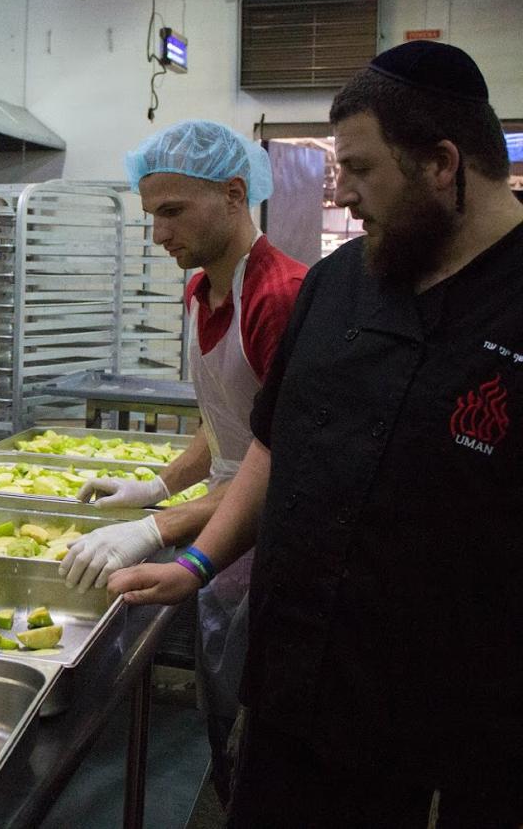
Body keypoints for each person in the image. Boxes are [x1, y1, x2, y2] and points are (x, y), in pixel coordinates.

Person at [109, 42, 523, 826]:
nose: (343, 192)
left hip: (448, 733)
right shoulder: (340, 283)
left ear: (441, 164)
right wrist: (197, 561)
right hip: (295, 689)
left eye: (361, 171)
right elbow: (272, 443)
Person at [57, 119, 306, 804]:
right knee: (221, 705)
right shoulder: (202, 291)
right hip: (224, 538)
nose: (159, 233)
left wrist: (162, 528)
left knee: (254, 730)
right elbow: (228, 417)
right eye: (152, 215)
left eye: (173, 212)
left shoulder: (279, 298)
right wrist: (158, 484)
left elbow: (276, 460)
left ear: (233, 193)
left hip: (269, 544)